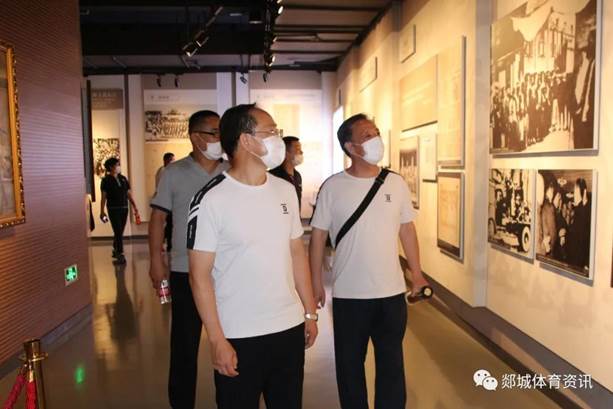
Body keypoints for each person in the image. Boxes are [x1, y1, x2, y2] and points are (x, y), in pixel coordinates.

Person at [187, 104, 318, 409]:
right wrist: (217, 339)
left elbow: (296, 253)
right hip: (239, 334)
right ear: (246, 140)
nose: (277, 138)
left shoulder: (285, 190)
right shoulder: (211, 199)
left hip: (288, 329)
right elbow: (199, 275)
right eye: (270, 131)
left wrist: (309, 312)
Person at [309, 113, 429, 409]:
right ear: (351, 147)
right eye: (367, 135)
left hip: (391, 293)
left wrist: (416, 273)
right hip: (350, 295)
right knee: (349, 366)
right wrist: (315, 283)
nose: (376, 139)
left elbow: (407, 229)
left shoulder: (395, 183)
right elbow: (317, 238)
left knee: (392, 364)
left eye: (376, 132)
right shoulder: (333, 187)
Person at [149, 110, 228, 409]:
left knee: (229, 340)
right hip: (186, 271)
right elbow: (158, 219)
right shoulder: (174, 173)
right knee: (184, 344)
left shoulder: (231, 171)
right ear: (196, 137)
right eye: (214, 132)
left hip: (227, 271)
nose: (220, 138)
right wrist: (156, 261)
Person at [100, 157, 139, 264]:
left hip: (124, 208)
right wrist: (102, 211)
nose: (118, 167)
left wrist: (134, 206)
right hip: (113, 209)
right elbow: (104, 197)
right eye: (117, 165)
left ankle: (115, 247)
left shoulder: (123, 178)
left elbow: (128, 193)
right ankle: (120, 253)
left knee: (120, 231)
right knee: (117, 230)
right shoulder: (106, 180)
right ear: (111, 167)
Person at [270, 136, 304, 209]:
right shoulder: (273, 176)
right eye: (298, 149)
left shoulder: (297, 176)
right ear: (286, 153)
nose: (302, 152)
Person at [155, 152, 175, 252]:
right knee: (168, 224)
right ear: (167, 160)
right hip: (166, 201)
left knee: (169, 224)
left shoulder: (164, 170)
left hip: (167, 201)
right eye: (172, 160)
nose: (174, 162)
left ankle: (167, 243)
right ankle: (167, 244)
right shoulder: (164, 171)